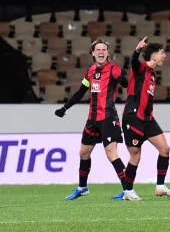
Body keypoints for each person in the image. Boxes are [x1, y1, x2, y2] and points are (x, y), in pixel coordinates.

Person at [54, 39, 128, 201]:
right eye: (98, 50)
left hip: (108, 118)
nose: (101, 52)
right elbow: (81, 92)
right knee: (83, 153)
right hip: (92, 120)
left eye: (104, 49)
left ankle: (128, 191)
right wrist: (65, 108)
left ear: (108, 53)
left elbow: (124, 83)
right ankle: (82, 188)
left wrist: (123, 78)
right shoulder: (90, 71)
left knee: (111, 155)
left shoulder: (114, 69)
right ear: (93, 53)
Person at [122, 37, 170, 201]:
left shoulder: (152, 74)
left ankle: (160, 186)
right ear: (153, 56)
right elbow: (133, 61)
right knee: (135, 156)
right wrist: (137, 50)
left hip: (148, 119)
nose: (164, 56)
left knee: (165, 149)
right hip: (133, 118)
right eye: (162, 53)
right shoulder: (140, 69)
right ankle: (128, 192)